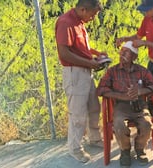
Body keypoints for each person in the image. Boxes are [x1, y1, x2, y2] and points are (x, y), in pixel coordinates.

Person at [55, 0, 105, 163]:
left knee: (93, 107)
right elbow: (65, 53)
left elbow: (81, 48)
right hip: (74, 73)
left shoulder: (79, 22)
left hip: (85, 70)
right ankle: (75, 148)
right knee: (77, 113)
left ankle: (95, 138)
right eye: (93, 14)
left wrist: (97, 54)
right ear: (83, 9)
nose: (93, 18)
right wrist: (90, 63)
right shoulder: (65, 22)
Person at [97, 41, 153, 167]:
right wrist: (121, 96)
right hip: (121, 106)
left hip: (139, 105)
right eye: (121, 51)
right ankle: (125, 150)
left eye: (126, 51)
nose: (122, 53)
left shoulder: (142, 71)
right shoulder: (112, 71)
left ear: (134, 57)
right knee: (119, 123)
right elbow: (101, 89)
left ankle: (140, 148)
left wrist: (141, 91)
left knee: (147, 124)